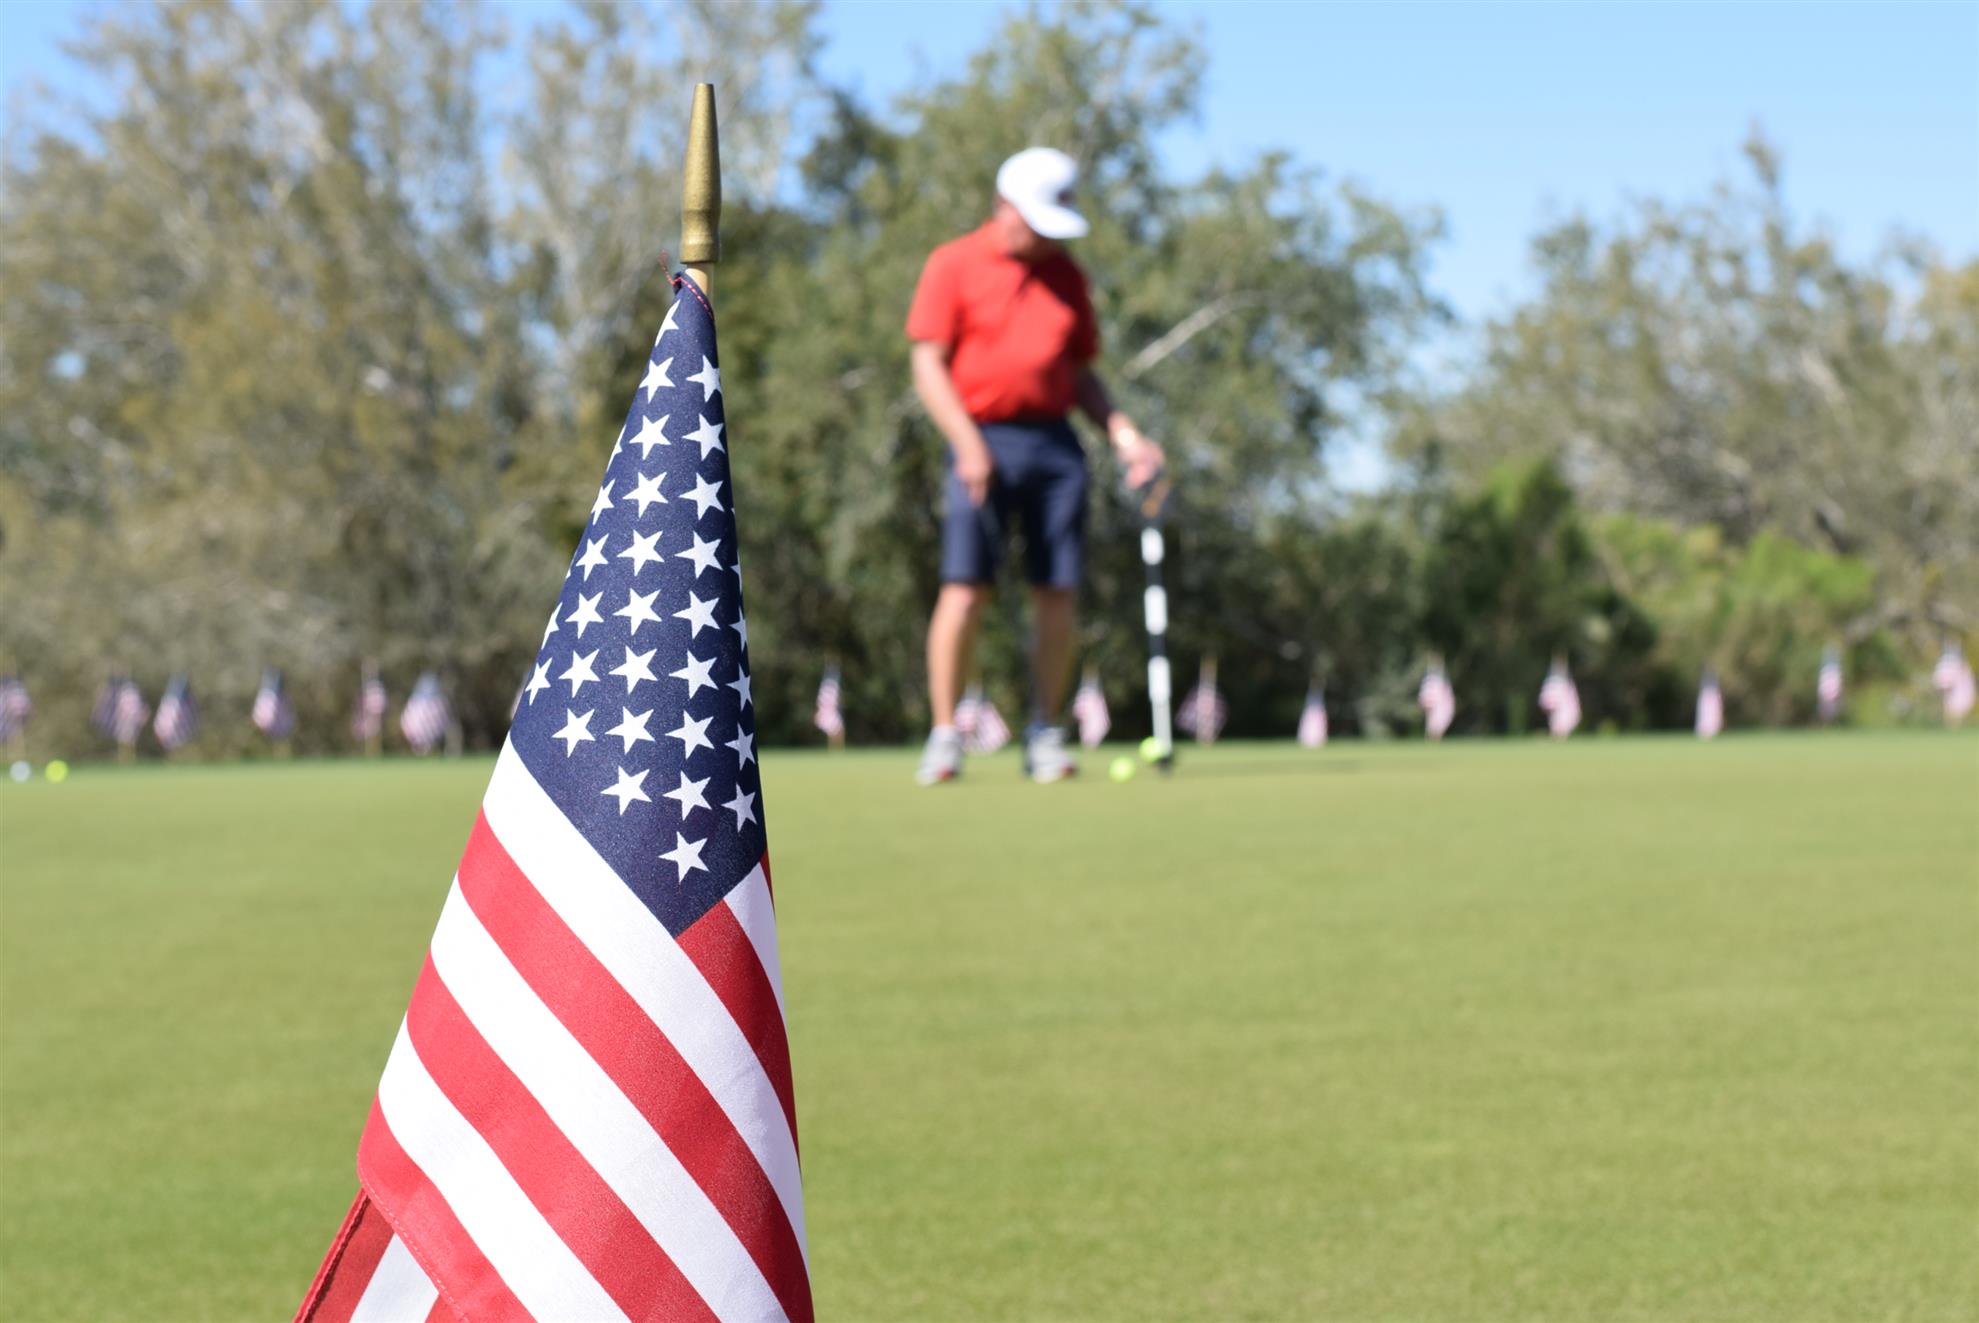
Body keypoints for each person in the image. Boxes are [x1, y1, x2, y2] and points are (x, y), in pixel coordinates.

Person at [907, 147, 1164, 785]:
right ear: (1004, 207)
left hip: (1055, 445)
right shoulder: (953, 263)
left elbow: (1080, 374)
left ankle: (1045, 732)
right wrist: (967, 443)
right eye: (1037, 222)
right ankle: (945, 736)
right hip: (979, 435)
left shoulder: (1066, 275)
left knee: (1058, 591)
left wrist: (1125, 434)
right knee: (965, 589)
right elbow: (927, 364)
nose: (1048, 238)